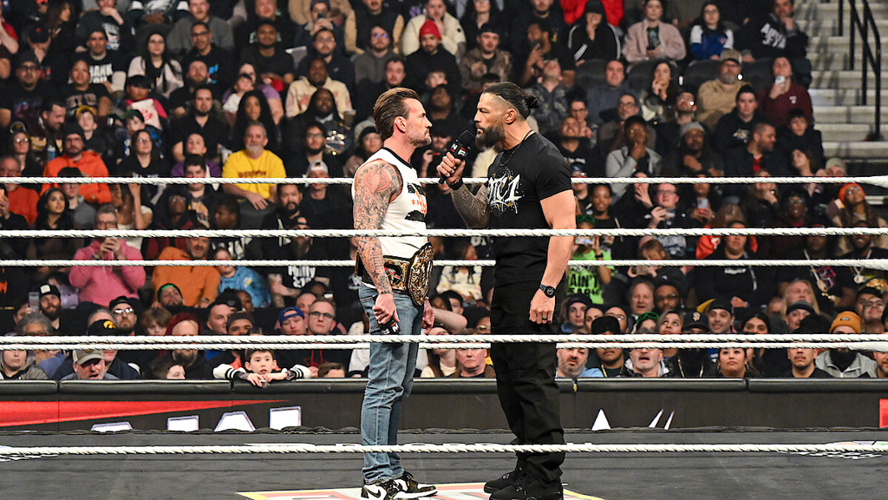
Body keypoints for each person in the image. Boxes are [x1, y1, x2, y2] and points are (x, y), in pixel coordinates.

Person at [438, 82, 575, 500]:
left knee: (533, 379)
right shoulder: (500, 161)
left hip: (535, 279)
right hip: (506, 278)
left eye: (484, 111)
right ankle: (527, 466)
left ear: (509, 115)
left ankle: (545, 480)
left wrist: (547, 289)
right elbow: (480, 218)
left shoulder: (545, 158)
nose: (476, 119)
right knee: (510, 378)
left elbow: (565, 228)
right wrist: (457, 185)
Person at [351, 88, 437, 500]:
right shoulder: (378, 170)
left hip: (409, 292)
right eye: (421, 116)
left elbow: (408, 236)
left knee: (400, 385)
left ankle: (393, 471)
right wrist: (383, 292)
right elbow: (364, 235)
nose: (428, 122)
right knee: (384, 384)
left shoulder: (407, 170)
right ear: (400, 123)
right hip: (389, 291)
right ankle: (376, 477)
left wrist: (424, 297)